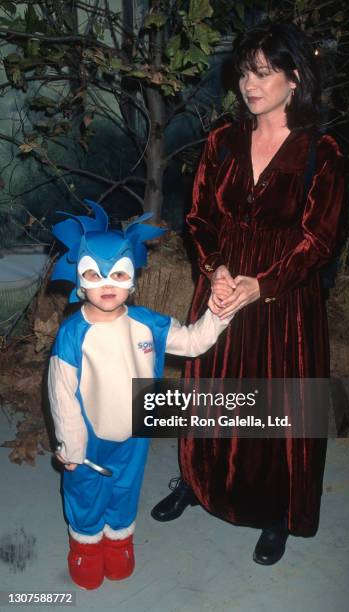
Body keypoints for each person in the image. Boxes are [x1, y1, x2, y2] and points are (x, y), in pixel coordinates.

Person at [151, 21, 347, 565]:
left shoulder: (319, 150)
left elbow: (320, 239)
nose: (249, 84)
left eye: (263, 72)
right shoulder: (223, 141)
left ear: (293, 76)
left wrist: (261, 285)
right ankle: (196, 482)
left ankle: (278, 512)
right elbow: (197, 217)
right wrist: (214, 268)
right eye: (244, 72)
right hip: (221, 287)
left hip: (283, 300)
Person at [48, 201, 232, 589]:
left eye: (117, 274)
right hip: (88, 436)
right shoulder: (71, 333)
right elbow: (62, 392)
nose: (108, 285)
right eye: (94, 276)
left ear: (132, 278)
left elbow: (195, 341)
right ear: (80, 282)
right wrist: (71, 442)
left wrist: (219, 312)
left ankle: (119, 542)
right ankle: (86, 545)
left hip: (136, 431)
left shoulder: (147, 322)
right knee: (85, 492)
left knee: (126, 490)